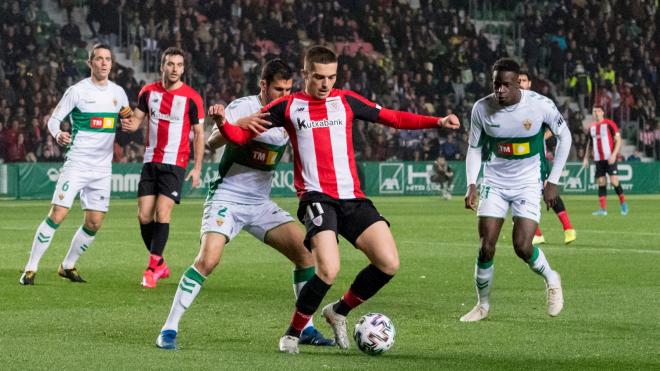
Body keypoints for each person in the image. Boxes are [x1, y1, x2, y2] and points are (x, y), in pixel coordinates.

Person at [213, 45, 460, 354]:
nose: (325, 83)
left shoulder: (346, 101)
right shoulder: (287, 106)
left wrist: (436, 121)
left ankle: (338, 311)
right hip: (317, 198)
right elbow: (239, 138)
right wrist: (224, 123)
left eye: (331, 77)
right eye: (318, 77)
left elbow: (392, 118)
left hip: (352, 198)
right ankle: (292, 333)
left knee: (388, 262)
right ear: (305, 74)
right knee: (328, 269)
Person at [155, 59, 333, 350]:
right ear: (263, 85)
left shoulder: (290, 112)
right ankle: (168, 329)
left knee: (306, 254)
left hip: (260, 203)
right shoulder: (242, 106)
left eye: (288, 89)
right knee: (208, 260)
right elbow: (211, 143)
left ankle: (305, 327)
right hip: (227, 197)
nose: (284, 95)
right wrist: (234, 124)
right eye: (278, 89)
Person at [462, 58, 570, 322]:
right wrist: (471, 183)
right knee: (486, 246)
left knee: (522, 246)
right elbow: (474, 148)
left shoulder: (539, 105)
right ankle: (482, 306)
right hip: (495, 180)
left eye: (506, 85)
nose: (500, 90)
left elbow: (565, 137)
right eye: (496, 84)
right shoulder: (481, 109)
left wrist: (552, 181)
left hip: (528, 182)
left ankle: (551, 278)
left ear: (518, 83)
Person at [19, 44, 130, 285]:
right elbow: (53, 120)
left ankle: (67, 265)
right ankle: (30, 268)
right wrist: (58, 134)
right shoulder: (77, 91)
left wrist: (129, 124)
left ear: (112, 64)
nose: (103, 63)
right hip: (77, 163)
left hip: (102, 169)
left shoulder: (119, 93)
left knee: (94, 222)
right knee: (57, 214)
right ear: (90, 63)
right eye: (98, 59)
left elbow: (127, 117)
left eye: (107, 59)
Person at [121, 47, 205, 288]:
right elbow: (137, 120)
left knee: (162, 212)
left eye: (179, 65)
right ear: (162, 66)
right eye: (170, 64)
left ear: (183, 69)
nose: (174, 69)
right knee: (144, 214)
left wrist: (197, 168)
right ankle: (160, 263)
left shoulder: (192, 98)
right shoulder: (148, 92)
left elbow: (199, 134)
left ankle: (151, 268)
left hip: (175, 163)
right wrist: (129, 123)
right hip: (150, 160)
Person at [518, 71, 576, 245]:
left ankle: (568, 229)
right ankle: (537, 234)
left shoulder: (539, 105)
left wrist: (541, 137)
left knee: (547, 193)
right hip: (517, 161)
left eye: (523, 80)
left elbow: (558, 128)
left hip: (536, 161)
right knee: (521, 197)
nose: (520, 82)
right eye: (517, 80)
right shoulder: (509, 107)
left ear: (529, 84)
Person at [583, 105, 628, 216]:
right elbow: (590, 143)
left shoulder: (609, 124)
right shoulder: (591, 127)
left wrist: (614, 154)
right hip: (598, 159)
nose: (596, 113)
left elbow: (618, 140)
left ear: (603, 112)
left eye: (598, 111)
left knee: (614, 181)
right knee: (601, 182)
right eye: (594, 111)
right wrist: (585, 157)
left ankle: (623, 204)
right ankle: (603, 210)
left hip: (610, 158)